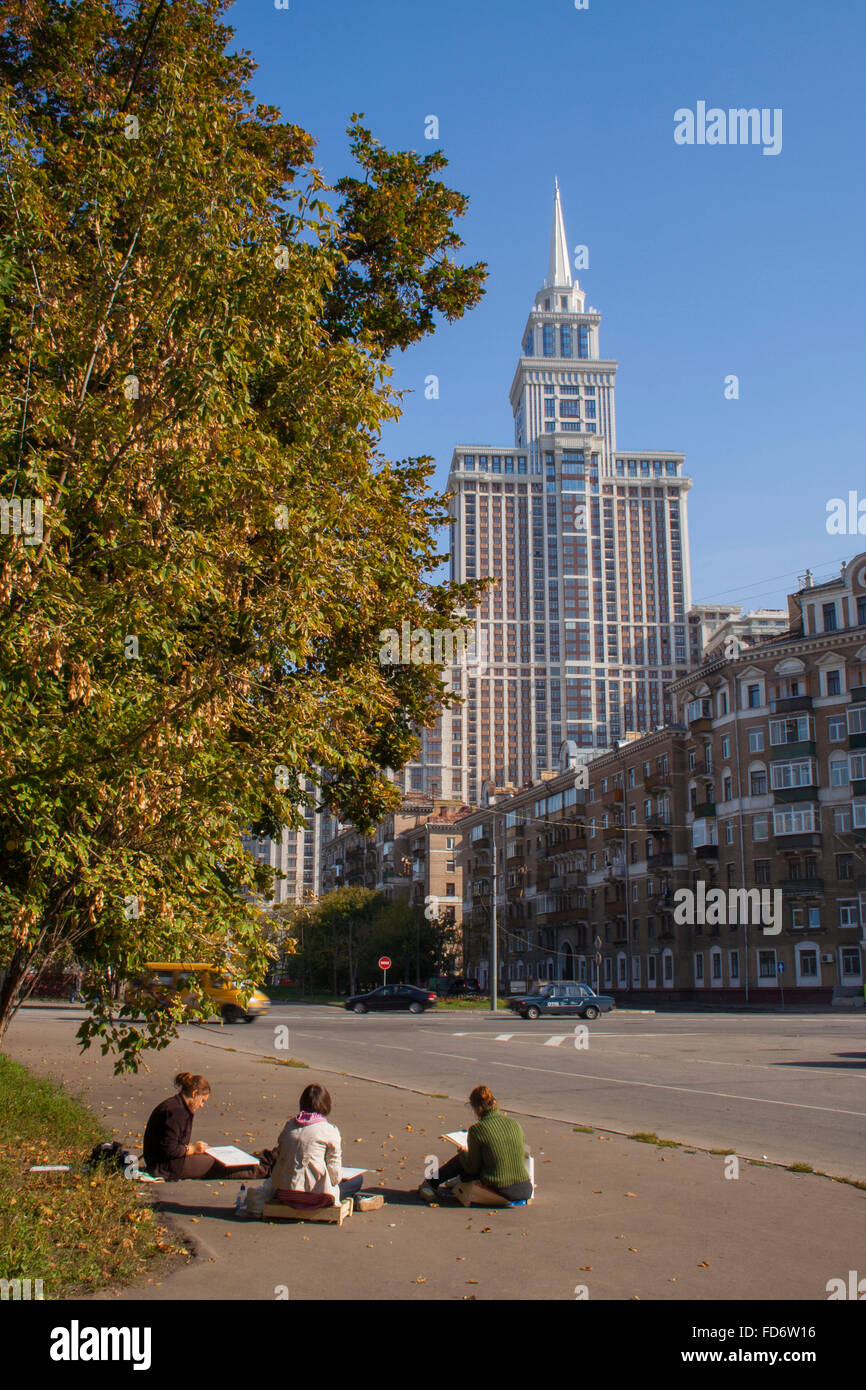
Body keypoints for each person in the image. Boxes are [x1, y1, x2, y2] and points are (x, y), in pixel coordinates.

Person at [246, 1082, 381, 1217]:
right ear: (326, 1106)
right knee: (357, 1180)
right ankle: (356, 1201)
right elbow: (334, 1175)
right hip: (317, 1197)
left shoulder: (289, 1126)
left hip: (284, 1193)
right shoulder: (330, 1130)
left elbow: (282, 1156)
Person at [418, 1085, 532, 1205]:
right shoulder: (515, 1123)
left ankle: (431, 1183)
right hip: (524, 1188)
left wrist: (462, 1153)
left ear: (476, 1108)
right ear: (495, 1102)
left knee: (462, 1159)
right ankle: (443, 1182)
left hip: (500, 1188)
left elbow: (472, 1167)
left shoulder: (478, 1129)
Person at [142, 1072, 267, 1180]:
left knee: (217, 1159)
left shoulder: (177, 1106)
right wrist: (192, 1149)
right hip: (166, 1166)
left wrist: (194, 1149)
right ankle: (264, 1168)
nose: (201, 1105)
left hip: (163, 1162)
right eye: (202, 1101)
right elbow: (169, 1149)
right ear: (195, 1093)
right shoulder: (177, 1112)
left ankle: (260, 1161)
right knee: (218, 1165)